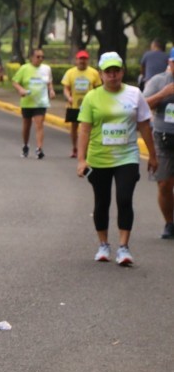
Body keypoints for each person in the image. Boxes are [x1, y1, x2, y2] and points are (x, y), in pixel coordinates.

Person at [76, 52, 157, 266]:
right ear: (100, 74)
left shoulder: (135, 94)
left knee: (124, 198)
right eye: (108, 72)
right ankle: (103, 245)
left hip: (127, 156)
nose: (113, 75)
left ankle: (123, 247)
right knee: (102, 201)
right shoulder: (92, 97)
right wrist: (81, 159)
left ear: (122, 72)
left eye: (116, 71)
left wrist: (152, 155)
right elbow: (84, 130)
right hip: (99, 157)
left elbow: (144, 126)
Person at [142, 47, 174, 239]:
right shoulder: (159, 81)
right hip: (164, 139)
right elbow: (142, 105)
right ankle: (170, 223)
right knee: (164, 184)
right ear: (170, 63)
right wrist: (163, 94)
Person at [12, 48, 55, 159]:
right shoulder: (24, 68)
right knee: (26, 125)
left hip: (41, 102)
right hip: (27, 101)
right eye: (38, 57)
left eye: (42, 57)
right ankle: (25, 145)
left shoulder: (46, 69)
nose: (40, 59)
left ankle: (39, 149)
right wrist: (20, 89)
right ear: (32, 57)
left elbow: (49, 82)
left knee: (39, 124)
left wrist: (51, 90)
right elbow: (15, 81)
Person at [62, 50, 102, 158]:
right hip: (74, 105)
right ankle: (75, 148)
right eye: (80, 59)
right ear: (76, 60)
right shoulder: (70, 73)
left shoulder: (94, 73)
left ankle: (86, 149)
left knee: (88, 128)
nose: (82, 61)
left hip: (89, 106)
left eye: (84, 59)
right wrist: (69, 97)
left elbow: (98, 89)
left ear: (87, 60)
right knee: (74, 127)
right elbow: (66, 88)